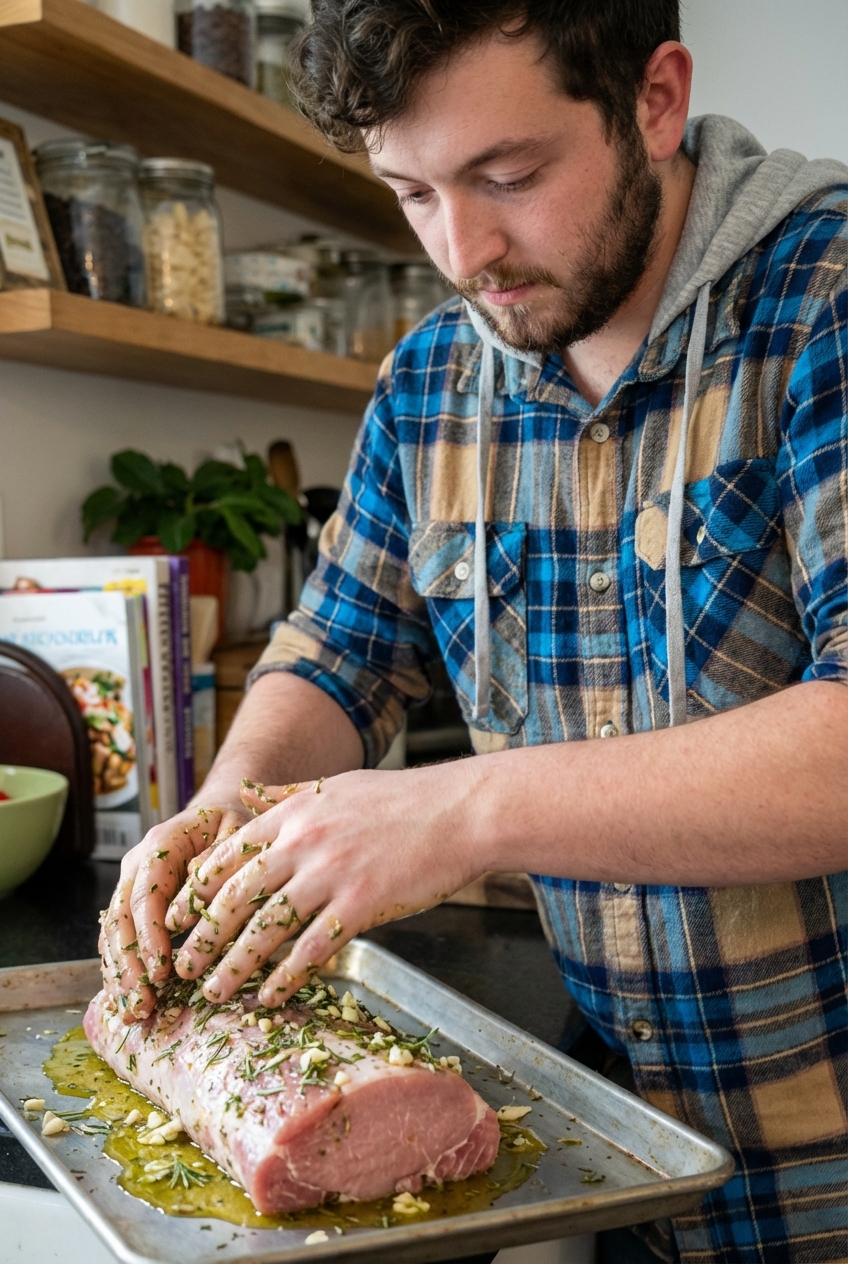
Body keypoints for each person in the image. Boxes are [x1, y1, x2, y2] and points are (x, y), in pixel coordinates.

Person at [100, 3, 847, 1260]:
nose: (466, 247)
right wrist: (227, 823)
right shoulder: (432, 381)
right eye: (411, 193)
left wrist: (455, 811)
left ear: (653, 100)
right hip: (626, 1152)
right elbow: (335, 652)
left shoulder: (822, 302)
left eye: (507, 176)